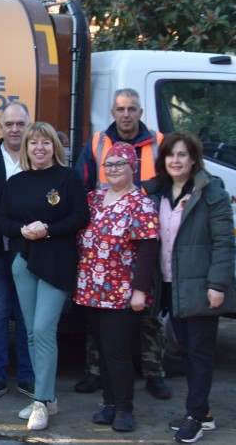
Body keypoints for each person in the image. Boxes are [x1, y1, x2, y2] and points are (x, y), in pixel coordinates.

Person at [74, 88, 171, 400]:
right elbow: (81, 182)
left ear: (140, 112)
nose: (126, 114)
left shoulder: (159, 142)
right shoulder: (98, 142)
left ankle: (154, 373)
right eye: (120, 109)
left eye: (131, 108)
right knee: (101, 323)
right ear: (112, 113)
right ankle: (94, 372)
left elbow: (174, 183)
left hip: (148, 239)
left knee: (148, 313)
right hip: (105, 250)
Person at [144, 132, 236, 444]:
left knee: (199, 353)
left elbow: (225, 243)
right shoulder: (157, 192)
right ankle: (204, 412)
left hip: (201, 287)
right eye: (171, 155)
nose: (176, 160)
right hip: (170, 284)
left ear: (194, 159)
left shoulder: (212, 194)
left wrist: (217, 284)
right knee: (183, 349)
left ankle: (194, 417)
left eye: (182, 155)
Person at [0, 122, 89, 430]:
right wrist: (21, 230)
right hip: (23, 261)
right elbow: (2, 220)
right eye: (33, 143)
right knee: (32, 333)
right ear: (27, 148)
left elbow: (80, 216)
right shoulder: (16, 181)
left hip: (56, 263)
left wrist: (48, 229)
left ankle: (40, 400)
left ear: (54, 148)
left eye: (45, 143)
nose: (39, 148)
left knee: (43, 329)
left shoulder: (67, 178)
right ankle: (48, 401)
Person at [75, 142, 160, 432]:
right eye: (108, 164)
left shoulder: (141, 203)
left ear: (132, 167)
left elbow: (148, 251)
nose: (113, 169)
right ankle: (109, 404)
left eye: (119, 164)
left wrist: (139, 290)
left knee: (117, 352)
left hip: (122, 293)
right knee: (101, 349)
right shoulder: (94, 199)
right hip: (91, 289)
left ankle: (125, 409)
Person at [0, 101, 35, 401]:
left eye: (20, 123)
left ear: (29, 125)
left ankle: (28, 377)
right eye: (9, 124)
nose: (14, 129)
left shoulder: (39, 159)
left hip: (30, 253)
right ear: (0, 127)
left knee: (28, 316)